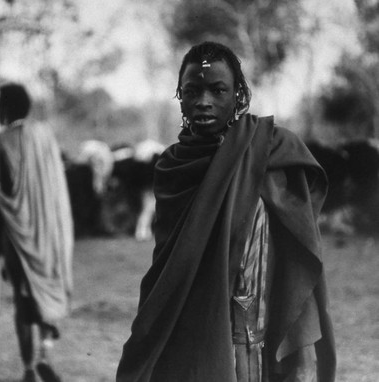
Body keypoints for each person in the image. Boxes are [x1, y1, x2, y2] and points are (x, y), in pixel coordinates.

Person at [116, 41, 336, 381]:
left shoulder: (269, 151)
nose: (204, 101)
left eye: (218, 90)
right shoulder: (172, 167)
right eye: (192, 91)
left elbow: (300, 233)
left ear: (239, 96)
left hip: (251, 322)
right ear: (181, 97)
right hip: (187, 317)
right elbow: (170, 264)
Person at [0, 83, 74, 382]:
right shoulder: (45, 137)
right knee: (48, 289)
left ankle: (28, 368)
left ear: (5, 108)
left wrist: (0, 237)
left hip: (18, 236)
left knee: (23, 299)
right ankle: (46, 352)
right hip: (52, 234)